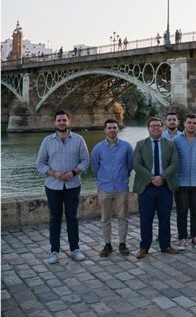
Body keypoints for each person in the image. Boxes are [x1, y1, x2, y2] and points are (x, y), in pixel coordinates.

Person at [36, 110, 90, 264]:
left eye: (64, 120)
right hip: (53, 186)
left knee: (72, 218)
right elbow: (40, 164)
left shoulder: (79, 140)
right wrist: (54, 174)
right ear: (55, 123)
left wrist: (73, 172)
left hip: (73, 185)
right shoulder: (47, 141)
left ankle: (75, 250)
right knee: (54, 218)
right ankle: (54, 251)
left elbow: (85, 161)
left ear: (68, 122)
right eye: (59, 120)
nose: (61, 123)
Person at [132, 117, 180, 258]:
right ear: (148, 128)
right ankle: (144, 247)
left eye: (158, 126)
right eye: (152, 126)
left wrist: (162, 177)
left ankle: (165, 245)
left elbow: (175, 162)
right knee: (146, 218)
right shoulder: (140, 145)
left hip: (165, 186)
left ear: (162, 127)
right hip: (146, 187)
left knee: (165, 217)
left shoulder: (169, 145)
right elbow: (136, 164)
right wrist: (151, 178)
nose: (155, 128)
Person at [91, 119, 133, 257]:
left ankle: (122, 244)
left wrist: (122, 177)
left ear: (118, 129)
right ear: (105, 130)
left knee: (123, 217)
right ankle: (107, 245)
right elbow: (95, 167)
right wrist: (103, 180)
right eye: (109, 128)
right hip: (105, 188)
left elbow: (129, 165)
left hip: (122, 187)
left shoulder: (127, 147)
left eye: (114, 127)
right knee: (105, 218)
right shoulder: (98, 148)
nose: (112, 130)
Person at [173, 114, 196, 249]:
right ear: (184, 124)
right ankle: (182, 237)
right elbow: (173, 160)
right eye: (189, 122)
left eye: (194, 123)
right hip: (181, 182)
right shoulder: (176, 140)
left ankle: (194, 237)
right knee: (181, 212)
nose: (191, 125)